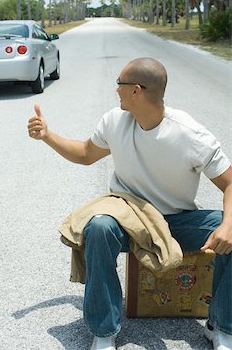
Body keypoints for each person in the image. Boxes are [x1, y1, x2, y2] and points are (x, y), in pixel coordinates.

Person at [27, 57, 232, 350]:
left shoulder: (190, 134)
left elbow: (230, 182)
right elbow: (86, 154)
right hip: (128, 219)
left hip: (176, 221)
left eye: (119, 84)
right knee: (98, 226)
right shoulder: (114, 121)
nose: (116, 90)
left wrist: (228, 224)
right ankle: (104, 331)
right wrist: (47, 136)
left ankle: (222, 327)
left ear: (136, 90)